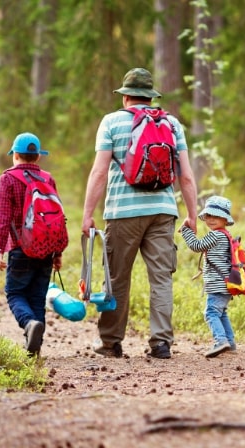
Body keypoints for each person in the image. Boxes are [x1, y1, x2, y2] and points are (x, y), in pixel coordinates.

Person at [82, 67, 198, 359]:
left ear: (126, 98)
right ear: (150, 96)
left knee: (118, 278)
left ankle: (111, 343)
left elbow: (99, 172)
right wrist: (192, 215)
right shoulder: (171, 123)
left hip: (122, 213)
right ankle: (161, 343)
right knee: (161, 278)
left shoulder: (111, 122)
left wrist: (87, 214)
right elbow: (185, 176)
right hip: (163, 211)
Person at [0, 132, 62, 356]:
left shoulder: (8, 179)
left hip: (20, 248)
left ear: (15, 155)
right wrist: (58, 252)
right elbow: (57, 218)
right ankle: (35, 350)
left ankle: (28, 324)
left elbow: (3, 218)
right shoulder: (47, 178)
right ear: (38, 157)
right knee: (36, 297)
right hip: (46, 249)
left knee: (14, 293)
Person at [179, 196, 236, 357]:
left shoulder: (216, 235)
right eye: (209, 216)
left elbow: (196, 246)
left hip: (218, 284)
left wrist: (185, 230)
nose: (211, 220)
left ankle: (220, 341)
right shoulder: (226, 235)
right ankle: (230, 343)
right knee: (221, 312)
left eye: (216, 216)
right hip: (226, 284)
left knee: (211, 312)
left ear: (225, 219)